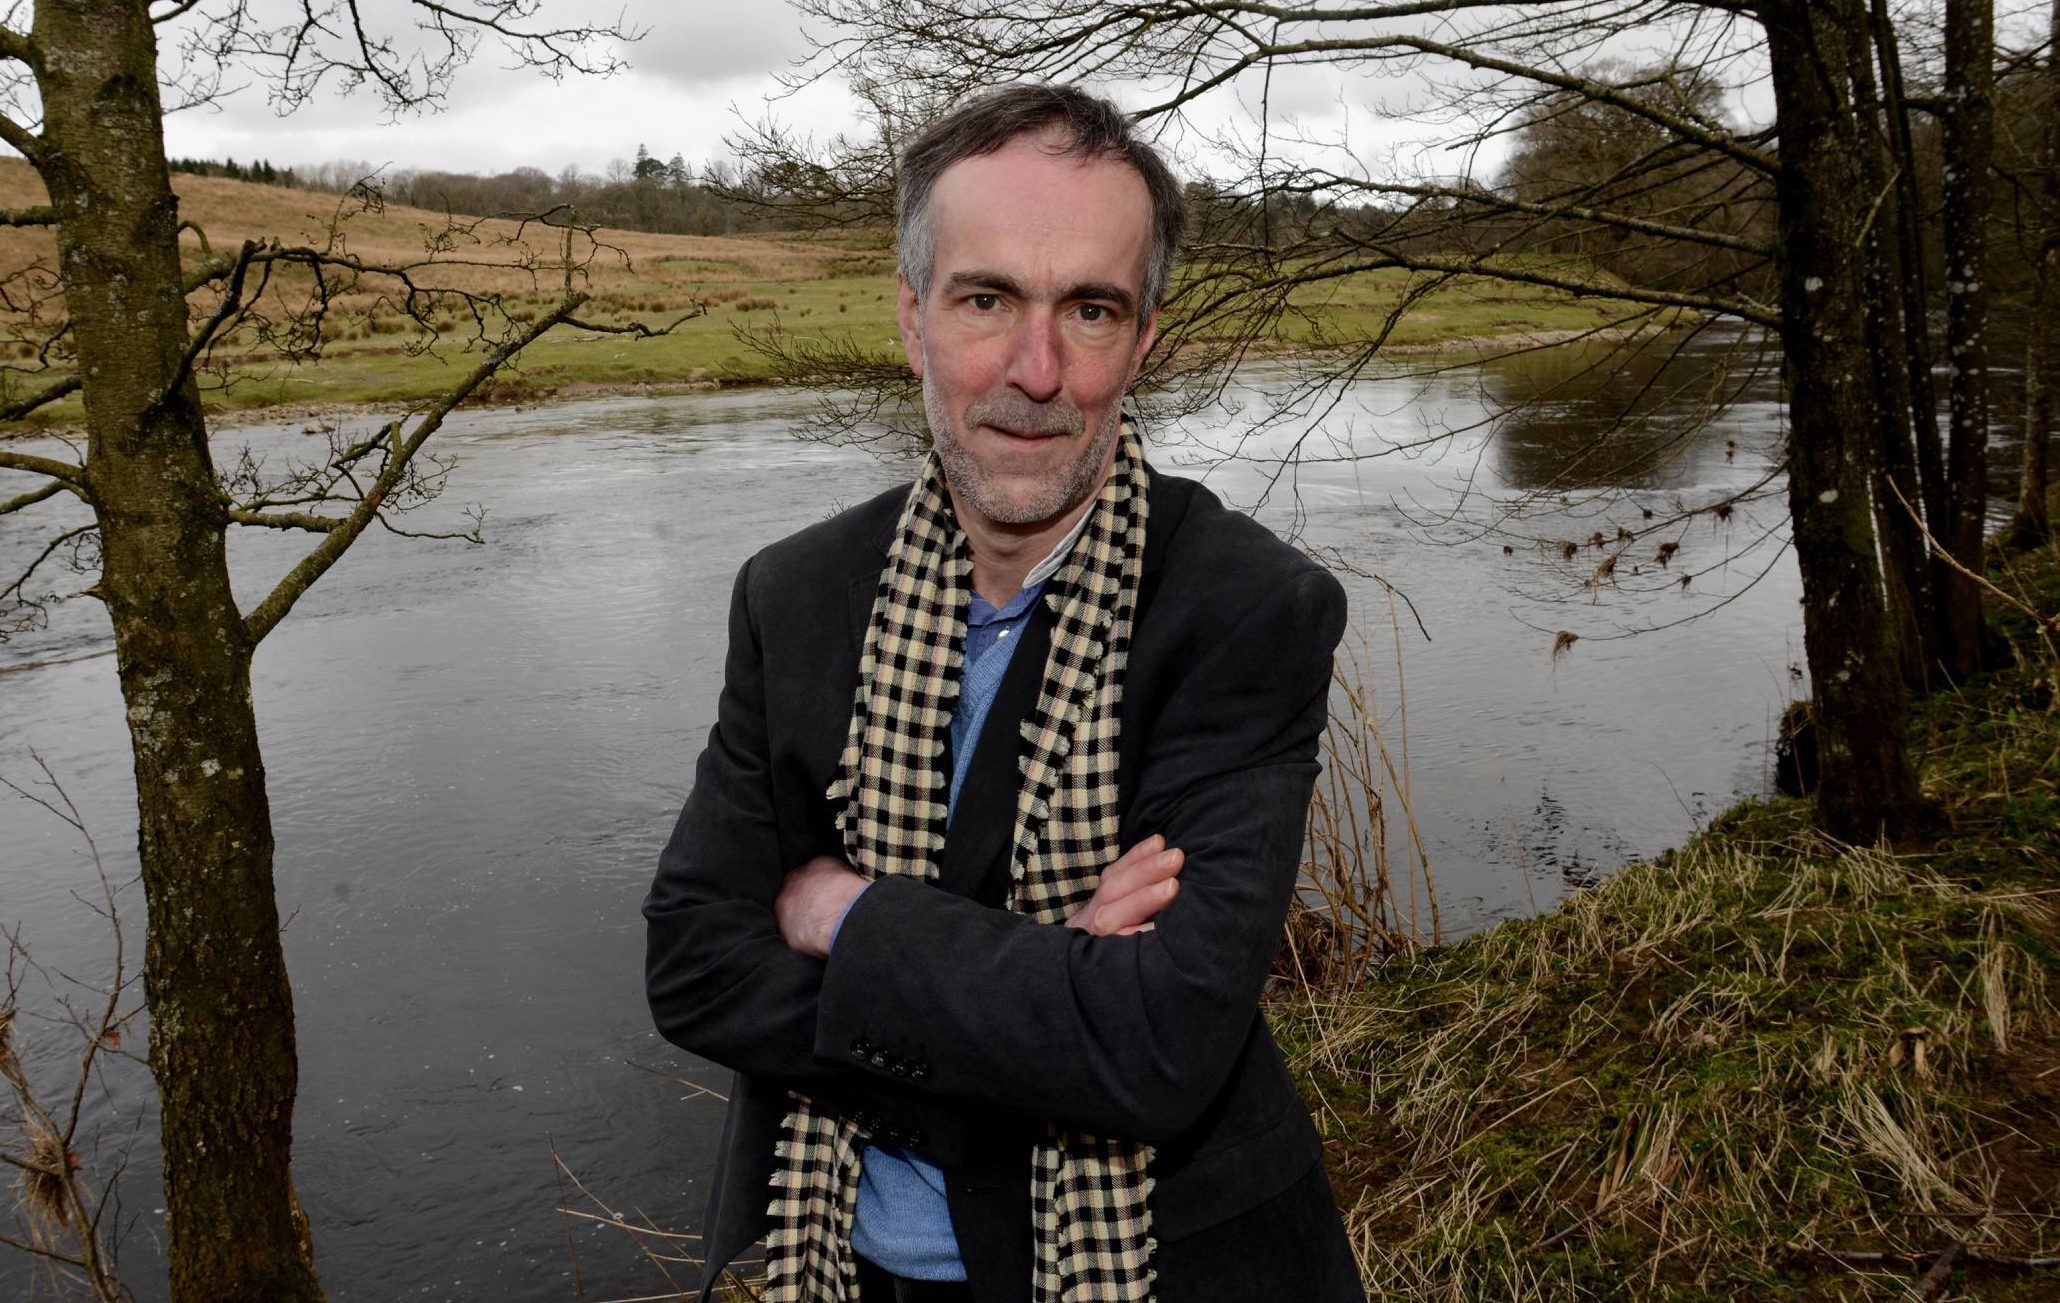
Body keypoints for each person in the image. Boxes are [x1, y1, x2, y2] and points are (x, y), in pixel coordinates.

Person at [644, 83, 1362, 1303]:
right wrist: (1041, 983)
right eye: (987, 299)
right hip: (831, 1266)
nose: (1036, 371)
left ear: (1143, 341)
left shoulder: (1244, 610)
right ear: (913, 318)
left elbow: (1153, 1046)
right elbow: (695, 962)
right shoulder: (797, 592)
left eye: (1089, 309)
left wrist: (845, 909)